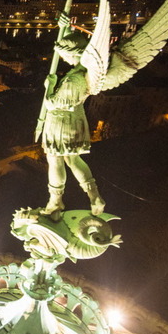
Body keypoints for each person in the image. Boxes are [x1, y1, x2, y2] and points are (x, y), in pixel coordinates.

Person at [38, 32, 105, 217]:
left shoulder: (74, 78)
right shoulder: (83, 72)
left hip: (61, 123)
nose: (63, 58)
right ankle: (94, 196)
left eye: (65, 54)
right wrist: (64, 26)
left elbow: (52, 103)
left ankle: (55, 201)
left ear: (74, 52)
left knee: (55, 160)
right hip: (73, 120)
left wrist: (49, 86)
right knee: (72, 159)